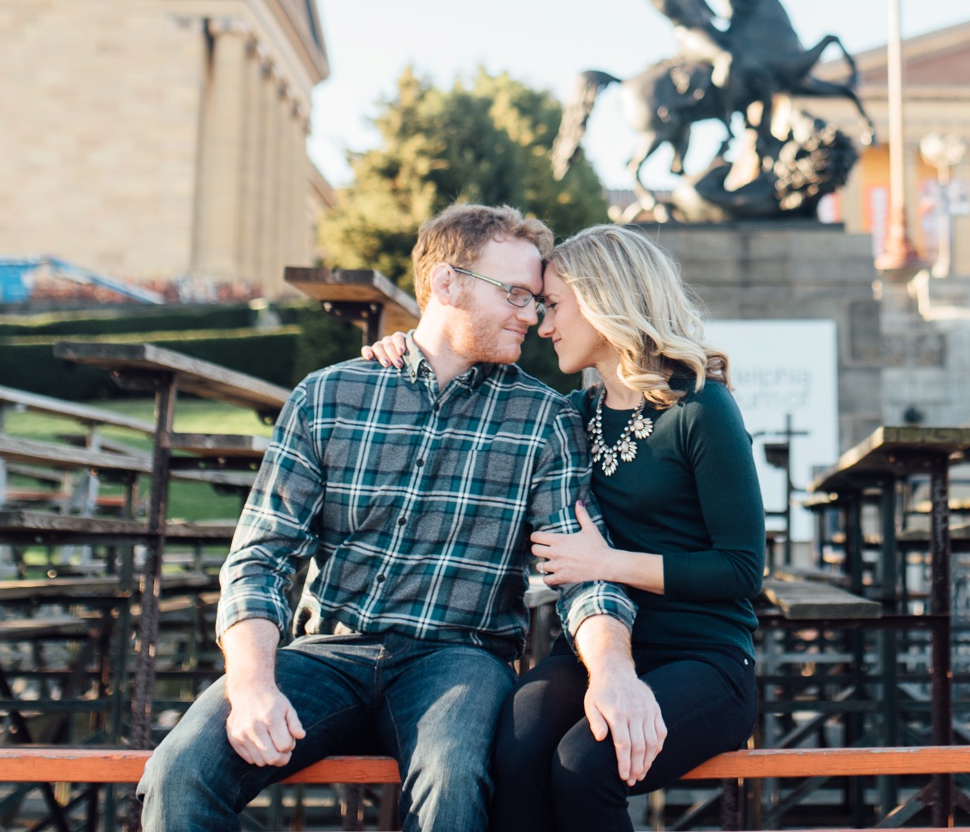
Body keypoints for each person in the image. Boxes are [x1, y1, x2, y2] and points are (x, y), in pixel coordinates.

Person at [137, 204, 656, 832]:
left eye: (536, 299)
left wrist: (615, 672)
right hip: (326, 652)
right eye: (516, 294)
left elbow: (583, 573)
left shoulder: (542, 418)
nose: (531, 313)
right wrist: (250, 682)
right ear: (447, 284)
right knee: (178, 775)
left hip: (459, 659)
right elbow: (259, 558)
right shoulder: (329, 397)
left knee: (454, 781)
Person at [367, 224, 764, 832]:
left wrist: (608, 564)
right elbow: (464, 382)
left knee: (584, 766)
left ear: (605, 300)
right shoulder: (575, 414)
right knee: (515, 748)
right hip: (596, 647)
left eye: (552, 306)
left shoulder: (700, 409)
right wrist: (405, 351)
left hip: (704, 658)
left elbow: (741, 569)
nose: (542, 324)